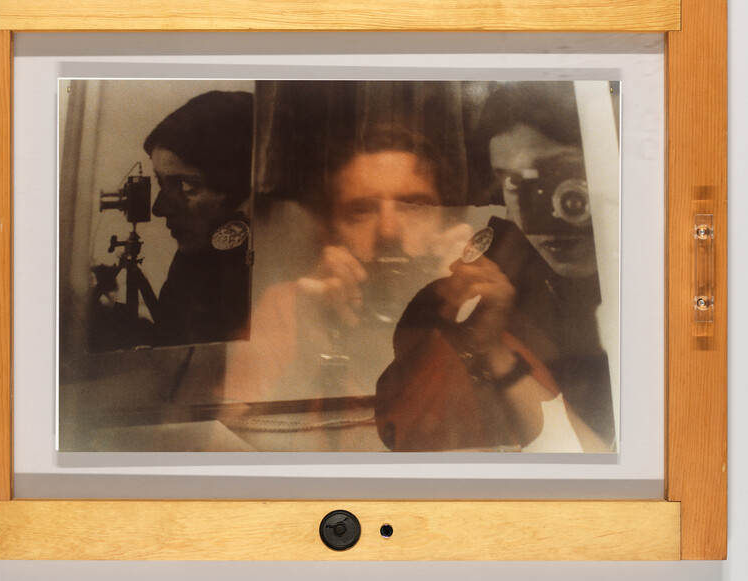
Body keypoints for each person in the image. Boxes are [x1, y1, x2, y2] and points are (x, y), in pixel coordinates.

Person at [222, 123, 600, 452]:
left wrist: (491, 349)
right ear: (329, 232)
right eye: (361, 211)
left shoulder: (469, 317)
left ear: (445, 225)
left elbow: (581, 458)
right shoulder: (290, 306)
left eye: (414, 206)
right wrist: (311, 353)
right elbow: (225, 457)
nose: (389, 231)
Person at [375, 82, 615, 451]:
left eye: (557, 179)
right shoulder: (495, 278)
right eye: (512, 182)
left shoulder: (651, 263)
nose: (533, 210)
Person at [143, 90, 254, 347]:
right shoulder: (191, 261)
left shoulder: (266, 271)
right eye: (161, 182)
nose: (159, 209)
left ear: (240, 187)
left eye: (186, 185)